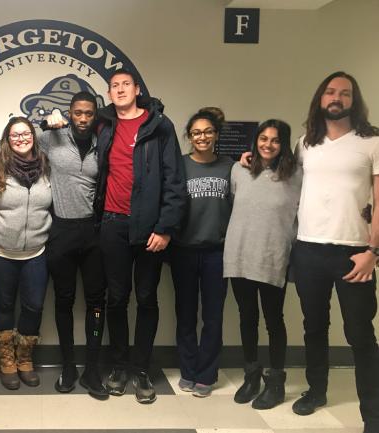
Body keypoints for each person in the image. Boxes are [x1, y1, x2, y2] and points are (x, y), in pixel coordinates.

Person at [289, 72, 379, 432]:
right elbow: (283, 181)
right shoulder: (305, 144)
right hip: (308, 249)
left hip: (354, 253)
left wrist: (373, 250)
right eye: (330, 91)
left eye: (345, 92)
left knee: (360, 334)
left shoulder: (371, 142)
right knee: (314, 327)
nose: (337, 97)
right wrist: (251, 160)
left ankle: (372, 414)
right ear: (320, 98)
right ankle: (316, 391)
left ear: (354, 100)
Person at [94, 68, 187, 404]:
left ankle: (141, 369)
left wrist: (165, 228)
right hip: (112, 224)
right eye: (114, 86)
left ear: (137, 90)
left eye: (125, 85)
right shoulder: (105, 125)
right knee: (116, 299)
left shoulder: (160, 126)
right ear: (110, 93)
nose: (120, 89)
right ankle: (118, 366)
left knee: (147, 298)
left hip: (150, 229)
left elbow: (175, 181)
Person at [224, 119, 301, 409]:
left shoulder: (296, 175)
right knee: (247, 317)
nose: (268, 145)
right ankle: (251, 374)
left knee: (274, 320)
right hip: (240, 255)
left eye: (275, 140)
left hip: (273, 257)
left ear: (284, 144)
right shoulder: (239, 169)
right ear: (255, 141)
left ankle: (276, 381)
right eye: (263, 139)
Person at [40, 92, 109, 399]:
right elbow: (17, 137)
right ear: (70, 113)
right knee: (64, 300)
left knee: (96, 302)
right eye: (78, 113)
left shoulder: (102, 142)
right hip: (61, 230)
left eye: (89, 113)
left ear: (96, 115)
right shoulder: (52, 138)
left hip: (93, 232)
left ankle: (92, 369)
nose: (83, 118)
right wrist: (44, 120)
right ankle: (68, 367)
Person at [168, 107, 233, 398]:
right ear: (189, 137)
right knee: (185, 314)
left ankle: (207, 374)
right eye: (196, 133)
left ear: (216, 135)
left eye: (207, 132)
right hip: (183, 250)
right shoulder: (179, 165)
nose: (202, 137)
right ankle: (188, 370)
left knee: (213, 316)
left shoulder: (231, 167)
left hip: (218, 253)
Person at [0, 117, 51, 390]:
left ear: (34, 137)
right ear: (6, 139)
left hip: (37, 251)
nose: (21, 138)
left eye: (26, 134)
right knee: (4, 305)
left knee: (34, 306)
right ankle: (7, 361)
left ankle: (25, 359)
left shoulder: (47, 164)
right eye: (15, 135)